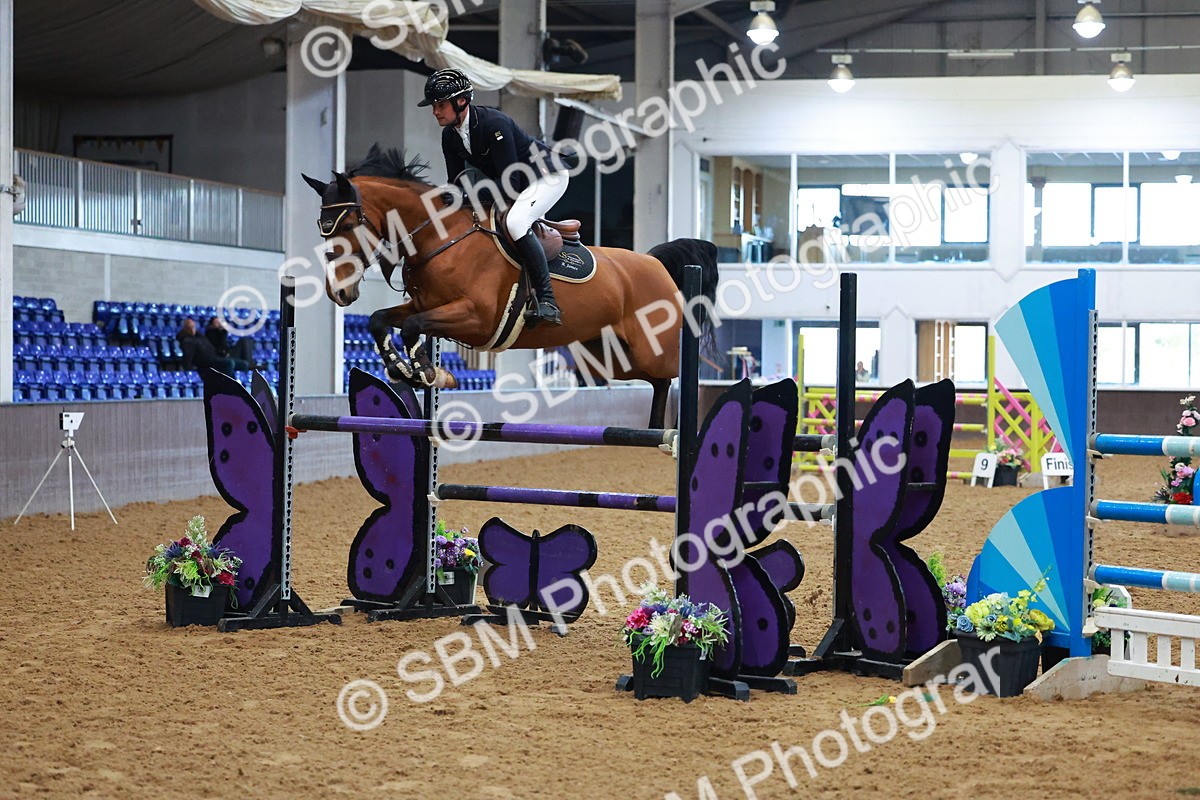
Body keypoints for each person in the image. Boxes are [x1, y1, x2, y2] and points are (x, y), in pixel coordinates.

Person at [419, 68, 574, 328]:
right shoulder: (449, 136)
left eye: (440, 105)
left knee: (516, 222)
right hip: (518, 182)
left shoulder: (494, 124)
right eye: (433, 106)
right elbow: (456, 182)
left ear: (461, 101)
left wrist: (467, 196)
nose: (435, 111)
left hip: (546, 176)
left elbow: (510, 185)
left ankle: (548, 300)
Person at [177, 318, 251, 375]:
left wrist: (223, 331)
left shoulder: (199, 336)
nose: (192, 329)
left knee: (244, 364)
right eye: (190, 327)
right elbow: (188, 357)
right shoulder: (187, 340)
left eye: (193, 327)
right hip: (206, 362)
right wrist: (189, 371)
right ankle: (230, 385)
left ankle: (243, 384)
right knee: (229, 363)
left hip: (215, 357)